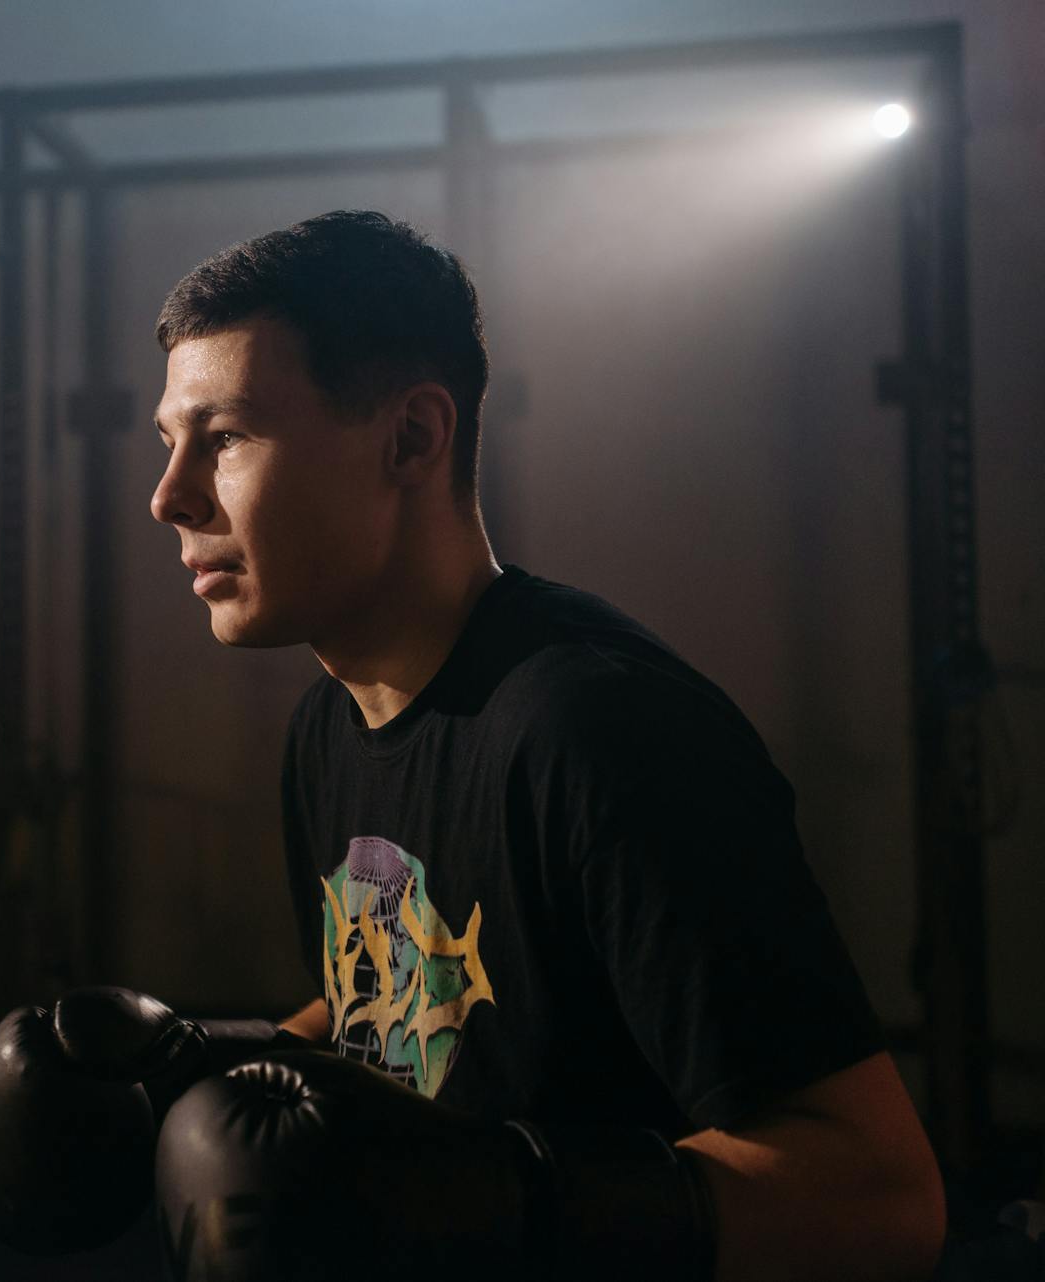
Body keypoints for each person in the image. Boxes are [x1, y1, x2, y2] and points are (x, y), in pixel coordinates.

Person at [136, 210, 946, 1280]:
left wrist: (494, 1204)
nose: (169, 496)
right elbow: (410, 990)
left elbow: (884, 1197)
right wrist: (199, 1072)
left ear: (413, 439)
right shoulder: (330, 725)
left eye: (226, 437)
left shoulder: (600, 732)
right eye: (170, 443)